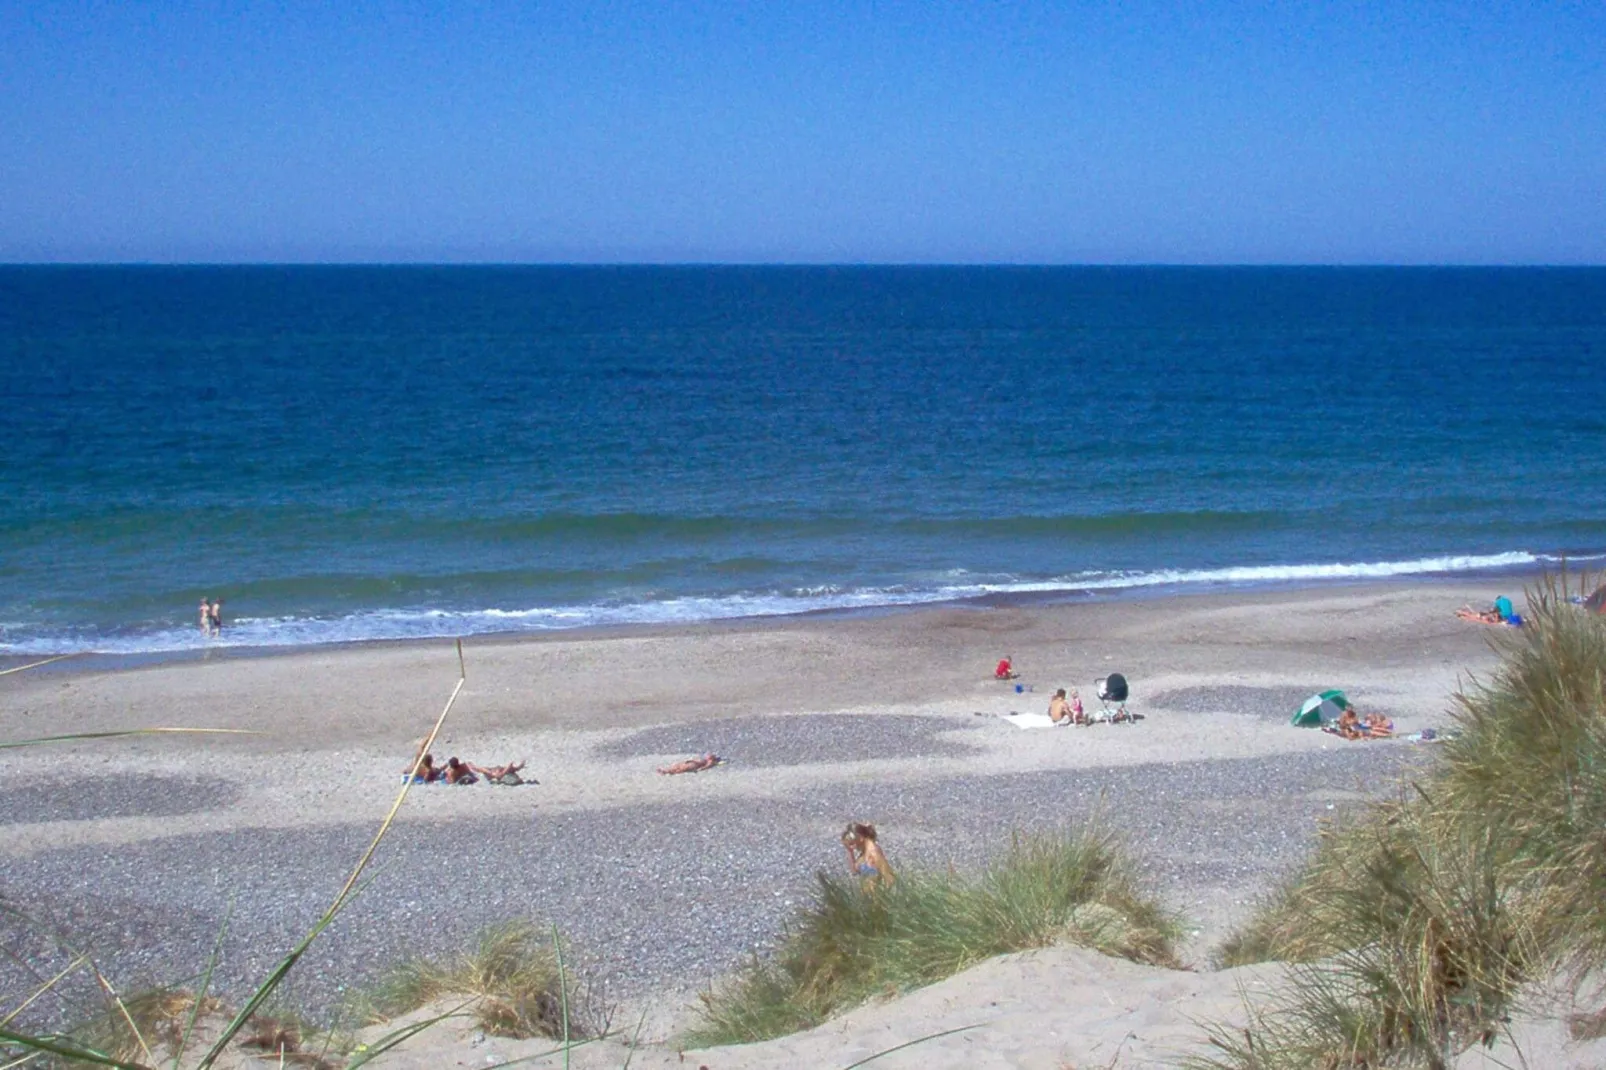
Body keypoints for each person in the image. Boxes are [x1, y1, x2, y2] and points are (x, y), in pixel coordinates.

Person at [841, 822, 894, 887]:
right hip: (868, 895)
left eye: (852, 842)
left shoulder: (873, 852)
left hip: (876, 895)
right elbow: (855, 871)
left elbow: (889, 877)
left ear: (860, 837)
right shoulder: (865, 852)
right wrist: (850, 851)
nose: (853, 846)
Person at [657, 753, 722, 775]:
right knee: (678, 766)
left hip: (694, 765)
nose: (709, 755)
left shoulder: (711, 761)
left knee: (680, 769)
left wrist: (700, 769)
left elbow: (707, 766)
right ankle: (666, 771)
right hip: (692, 763)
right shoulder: (708, 760)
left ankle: (666, 772)